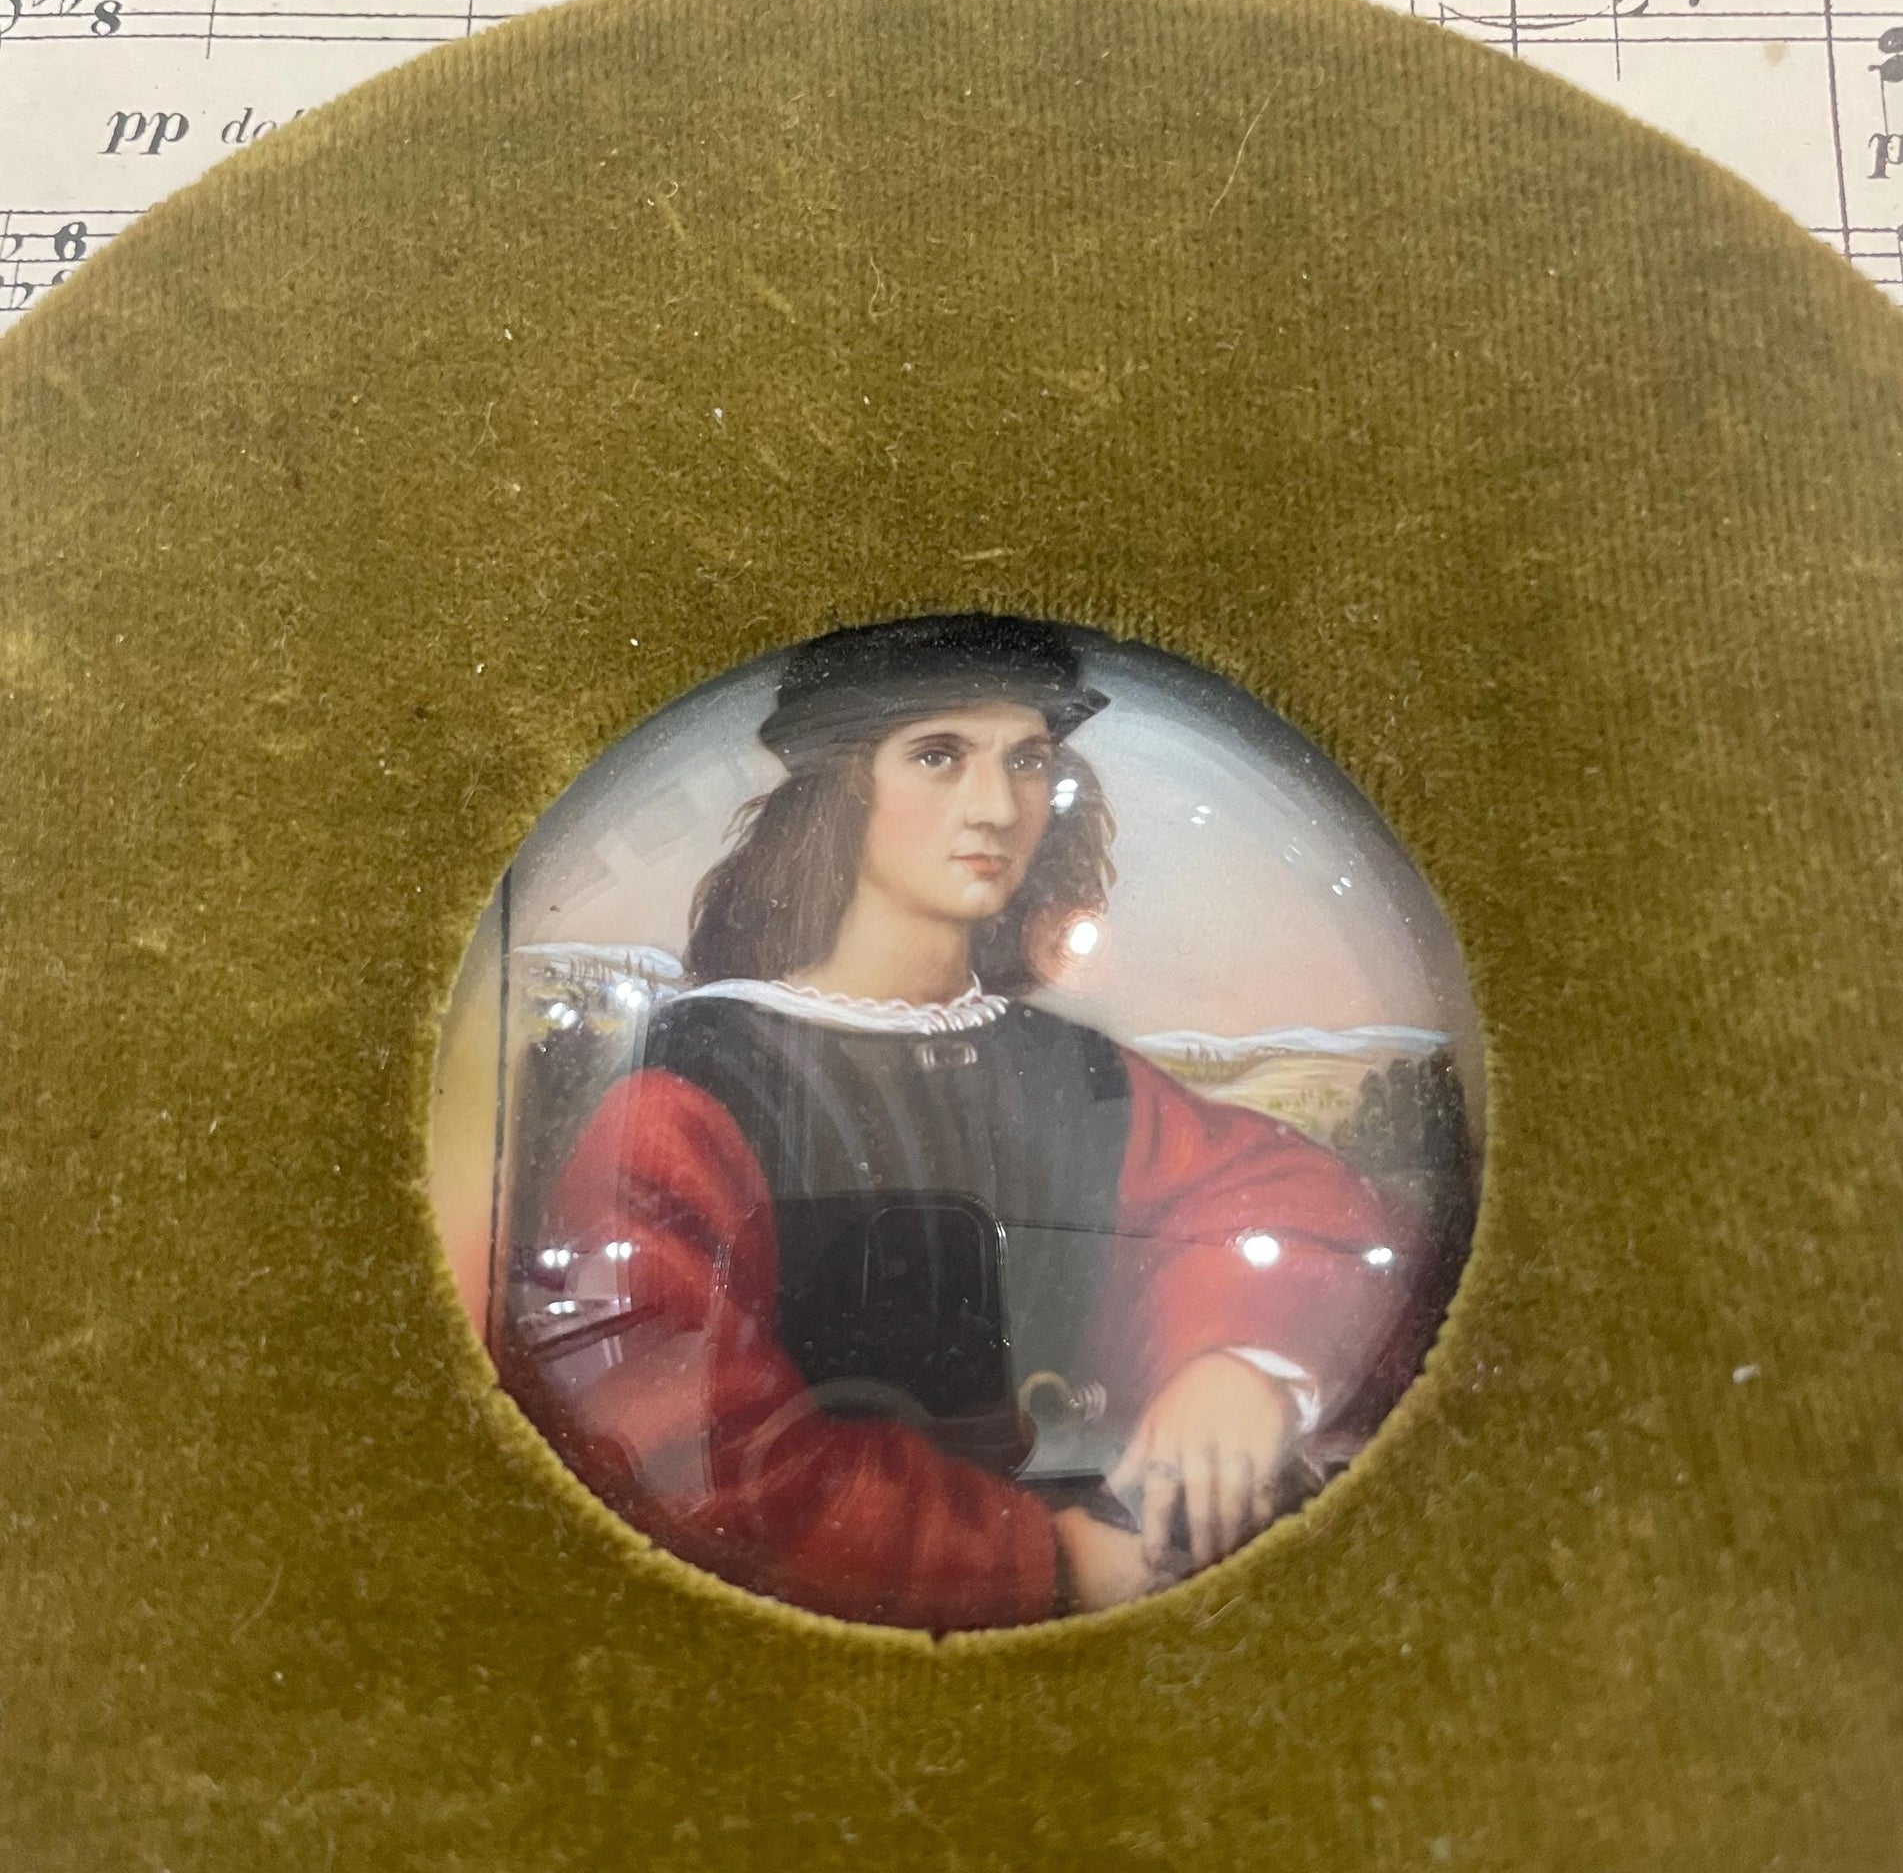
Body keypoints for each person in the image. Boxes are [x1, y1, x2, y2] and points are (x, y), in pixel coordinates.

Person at [500, 615, 1431, 1633]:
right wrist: (1048, 1557)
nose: (997, 806)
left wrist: (1240, 1364)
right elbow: (683, 1435)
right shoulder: (703, 1079)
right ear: (839, 787)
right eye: (938, 755)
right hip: (819, 1637)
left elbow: (1289, 1206)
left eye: (1025, 759)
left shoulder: (1067, 1067)